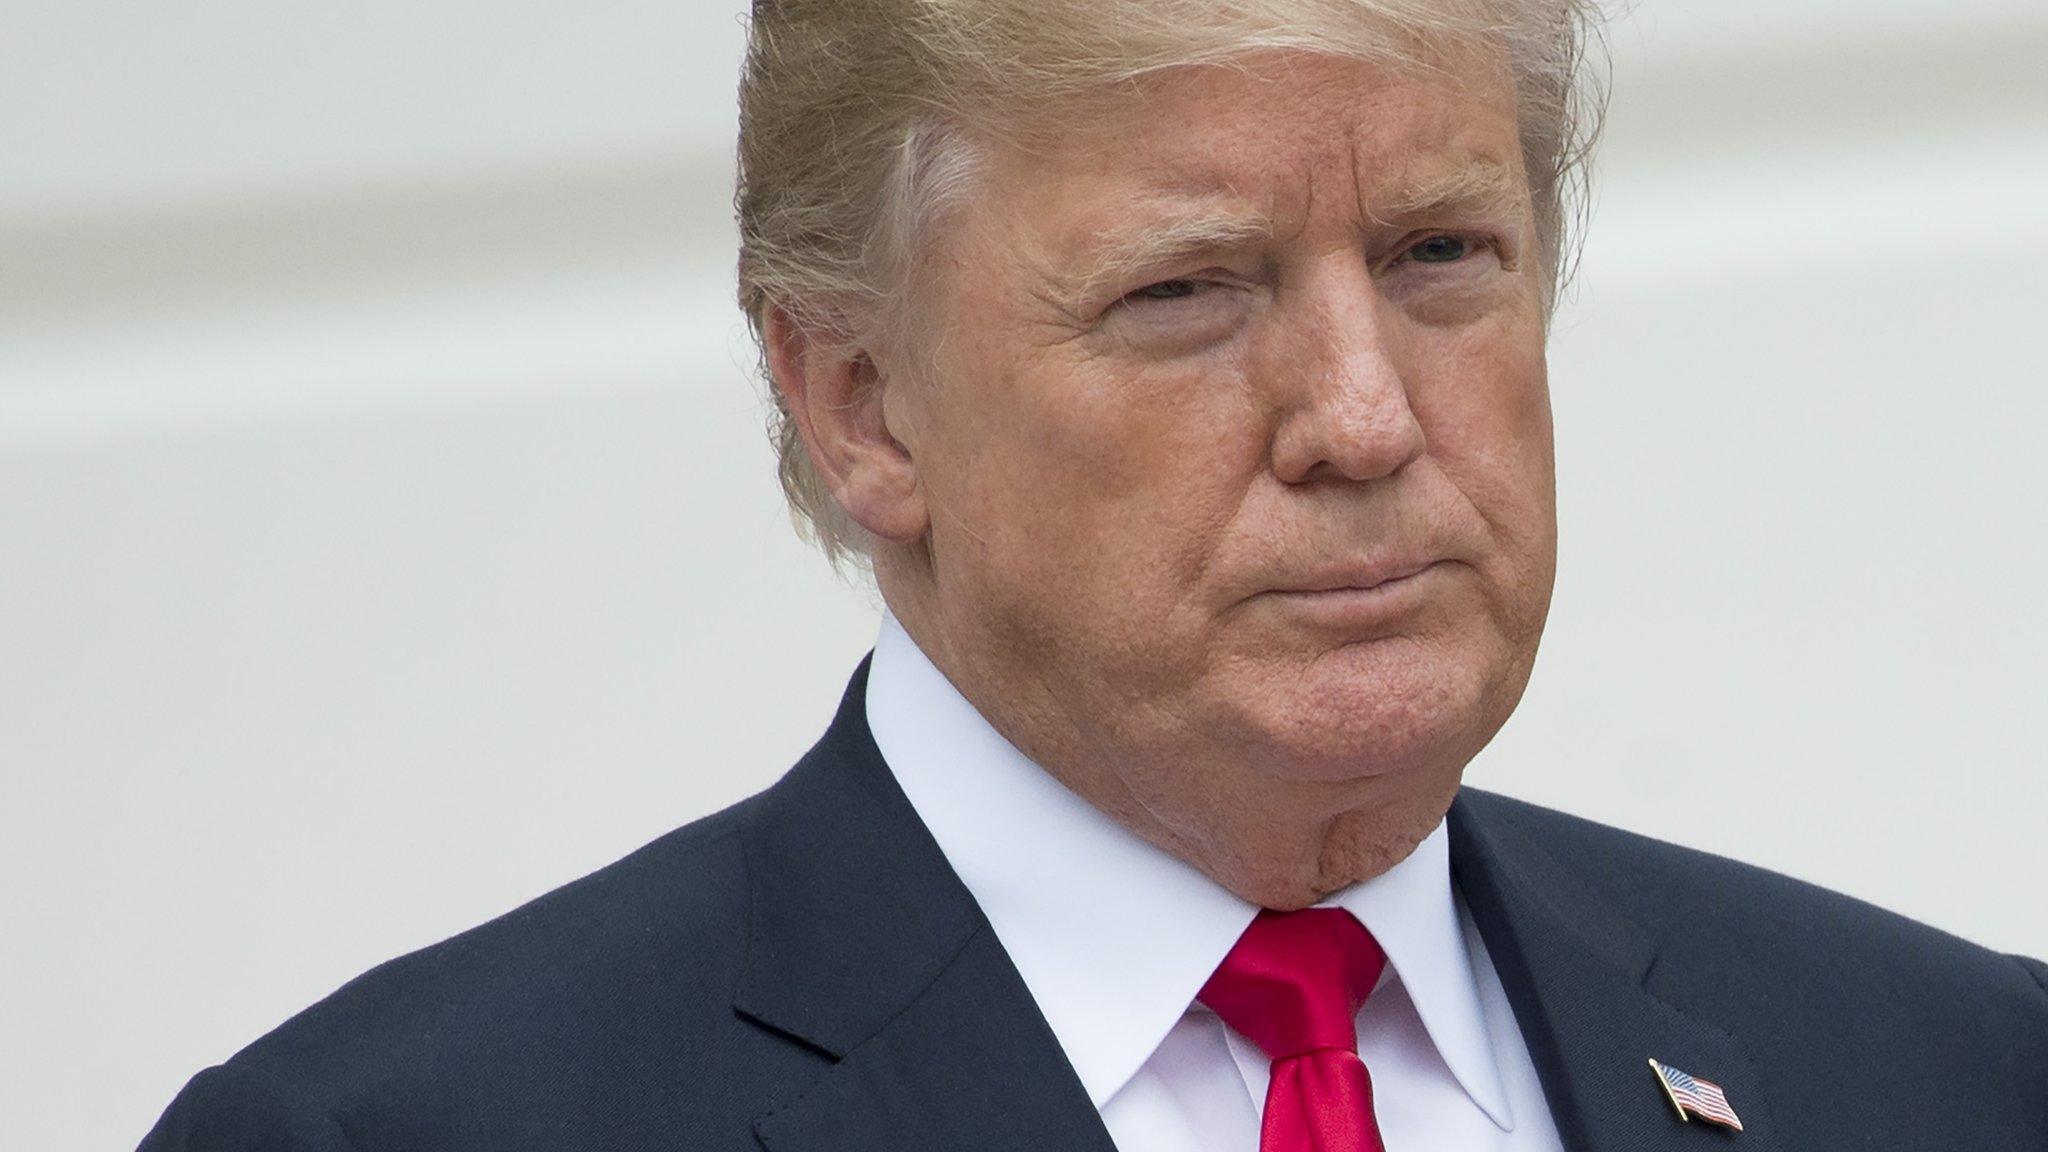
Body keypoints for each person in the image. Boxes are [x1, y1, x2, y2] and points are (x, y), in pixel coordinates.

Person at [139, 1, 2048, 1149]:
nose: (1363, 416)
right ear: (860, 398)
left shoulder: (1950, 1077)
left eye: (1441, 254)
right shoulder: (411, 1137)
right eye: (1187, 290)